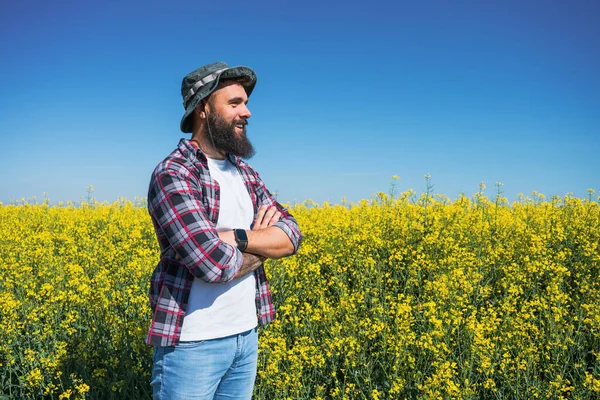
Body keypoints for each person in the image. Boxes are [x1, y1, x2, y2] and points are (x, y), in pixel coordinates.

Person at [146, 62, 302, 399]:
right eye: (234, 103)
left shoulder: (246, 173)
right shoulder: (174, 174)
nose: (246, 112)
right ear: (203, 109)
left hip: (245, 336)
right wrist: (264, 246)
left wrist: (238, 238)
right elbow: (212, 265)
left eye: (245, 103)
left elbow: (291, 234)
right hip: (192, 345)